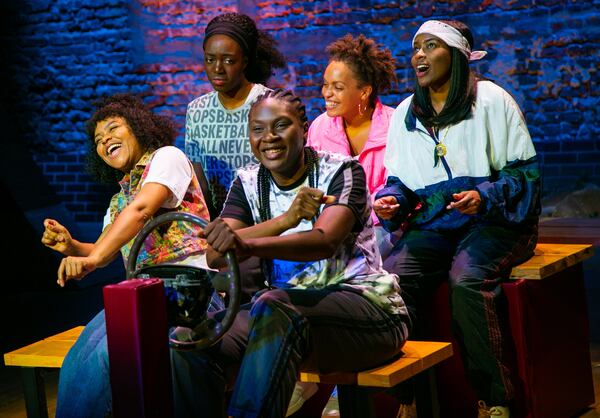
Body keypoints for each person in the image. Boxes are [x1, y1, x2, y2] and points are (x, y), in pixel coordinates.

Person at [171, 89, 411, 418]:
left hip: (369, 311)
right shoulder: (248, 182)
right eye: (258, 129)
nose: (268, 137)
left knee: (274, 305)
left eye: (281, 125)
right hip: (282, 316)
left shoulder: (342, 172)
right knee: (189, 341)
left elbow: (323, 240)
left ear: (303, 127)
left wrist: (244, 242)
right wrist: (285, 220)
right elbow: (215, 255)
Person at [374, 20, 540, 418]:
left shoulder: (492, 101)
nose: (419, 55)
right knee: (392, 279)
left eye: (430, 46)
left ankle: (495, 399)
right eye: (416, 48)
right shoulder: (405, 115)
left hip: (495, 222)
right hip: (436, 223)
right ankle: (408, 398)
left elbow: (524, 175)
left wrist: (483, 197)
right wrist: (392, 200)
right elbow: (401, 181)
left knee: (466, 280)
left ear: (457, 56)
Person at [41, 93, 215, 418]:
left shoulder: (167, 157)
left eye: (113, 128)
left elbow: (142, 210)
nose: (105, 139)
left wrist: (91, 259)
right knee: (79, 360)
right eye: (98, 139)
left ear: (137, 127)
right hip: (141, 296)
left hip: (192, 293)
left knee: (111, 354)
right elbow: (101, 251)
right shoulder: (118, 202)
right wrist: (72, 247)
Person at [184, 12, 286, 218]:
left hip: (268, 220)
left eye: (229, 61)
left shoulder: (270, 104)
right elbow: (199, 183)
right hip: (219, 223)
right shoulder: (197, 110)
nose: (217, 69)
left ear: (245, 61)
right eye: (210, 60)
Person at [307, 34, 396, 230]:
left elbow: (403, 188)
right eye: (325, 84)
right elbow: (313, 186)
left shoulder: (395, 125)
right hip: (334, 230)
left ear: (364, 92)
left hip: (387, 230)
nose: (326, 93)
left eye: (337, 87)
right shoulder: (320, 128)